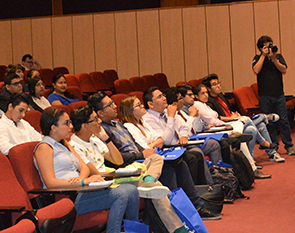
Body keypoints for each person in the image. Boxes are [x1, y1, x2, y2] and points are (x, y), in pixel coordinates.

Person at [67, 105, 209, 233]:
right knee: (157, 187)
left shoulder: (95, 139)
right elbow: (95, 173)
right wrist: (122, 173)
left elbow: (118, 161)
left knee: (156, 158)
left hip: (116, 173)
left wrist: (106, 139)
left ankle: (148, 181)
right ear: (84, 125)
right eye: (95, 119)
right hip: (106, 180)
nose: (99, 122)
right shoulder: (74, 145)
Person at [33, 107, 137, 233]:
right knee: (120, 194)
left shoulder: (65, 144)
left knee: (130, 189)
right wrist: (80, 183)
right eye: (66, 123)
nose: (70, 126)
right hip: (67, 198)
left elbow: (84, 168)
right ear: (53, 127)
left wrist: (82, 179)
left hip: (81, 190)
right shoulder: (44, 148)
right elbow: (50, 183)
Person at [90, 92, 219, 219]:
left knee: (181, 163)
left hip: (141, 158)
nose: (114, 106)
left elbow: (137, 144)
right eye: (109, 105)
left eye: (113, 102)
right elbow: (116, 159)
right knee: (169, 168)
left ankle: (196, 206)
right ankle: (175, 213)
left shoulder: (117, 124)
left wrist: (145, 152)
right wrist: (142, 154)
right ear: (100, 113)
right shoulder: (101, 130)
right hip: (129, 165)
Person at [252, 36, 295, 155]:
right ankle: (274, 145)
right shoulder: (257, 58)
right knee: (269, 122)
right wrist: (263, 55)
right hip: (264, 96)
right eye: (266, 46)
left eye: (270, 45)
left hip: (279, 95)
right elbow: (256, 70)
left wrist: (273, 58)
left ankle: (289, 145)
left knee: (284, 121)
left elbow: (284, 69)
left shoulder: (278, 56)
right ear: (261, 48)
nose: (269, 48)